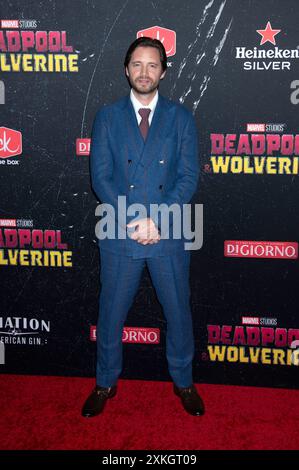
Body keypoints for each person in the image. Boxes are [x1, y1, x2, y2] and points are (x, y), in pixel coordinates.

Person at [81, 37, 204, 417]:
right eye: (137, 64)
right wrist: (136, 218)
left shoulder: (181, 117)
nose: (144, 72)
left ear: (163, 72)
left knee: (178, 311)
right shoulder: (107, 116)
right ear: (126, 69)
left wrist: (159, 219)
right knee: (110, 312)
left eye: (152, 65)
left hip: (167, 233)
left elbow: (187, 176)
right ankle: (105, 382)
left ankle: (184, 382)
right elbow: (101, 178)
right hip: (120, 231)